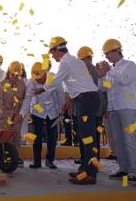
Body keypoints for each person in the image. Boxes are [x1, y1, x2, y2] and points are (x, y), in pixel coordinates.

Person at [34, 36, 99, 185]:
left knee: (88, 139)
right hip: (86, 99)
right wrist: (70, 100)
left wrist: (42, 89)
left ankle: (90, 174)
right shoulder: (76, 61)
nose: (52, 56)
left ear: (57, 50)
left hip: (85, 100)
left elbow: (55, 80)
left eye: (52, 52)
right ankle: (85, 169)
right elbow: (78, 83)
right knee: (86, 138)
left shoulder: (66, 62)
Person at [96, 39, 136, 182]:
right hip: (114, 109)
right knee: (117, 141)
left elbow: (125, 80)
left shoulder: (130, 65)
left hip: (128, 107)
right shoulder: (111, 70)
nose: (106, 57)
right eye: (105, 54)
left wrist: (110, 71)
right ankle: (123, 169)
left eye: (108, 53)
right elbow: (104, 88)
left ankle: (134, 171)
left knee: (128, 140)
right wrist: (102, 75)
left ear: (117, 50)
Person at [20, 62, 64, 169]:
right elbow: (27, 99)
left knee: (52, 137)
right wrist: (22, 113)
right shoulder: (31, 81)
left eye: (40, 77)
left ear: (45, 73)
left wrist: (61, 112)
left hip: (53, 111)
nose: (38, 80)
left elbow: (60, 95)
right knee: (36, 137)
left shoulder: (54, 78)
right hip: (37, 112)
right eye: (36, 78)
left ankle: (50, 160)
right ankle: (37, 161)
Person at [76, 46, 108, 162]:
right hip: (82, 110)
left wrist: (105, 109)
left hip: (97, 111)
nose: (85, 61)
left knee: (95, 137)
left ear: (90, 58)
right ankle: (84, 160)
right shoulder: (77, 74)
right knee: (83, 136)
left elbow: (104, 91)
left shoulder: (98, 71)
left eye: (87, 58)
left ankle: (94, 162)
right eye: (82, 60)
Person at [0, 61, 26, 166]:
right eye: (12, 74)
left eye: (17, 75)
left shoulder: (22, 84)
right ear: (8, 72)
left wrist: (18, 115)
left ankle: (16, 159)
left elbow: (24, 100)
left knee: (17, 138)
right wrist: (9, 117)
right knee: (7, 139)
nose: (14, 77)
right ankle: (6, 161)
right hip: (4, 117)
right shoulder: (1, 85)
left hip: (17, 116)